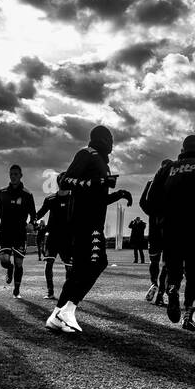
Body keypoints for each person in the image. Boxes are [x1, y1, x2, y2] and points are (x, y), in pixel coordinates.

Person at [46, 126, 131, 333]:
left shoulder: (102, 163)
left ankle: (56, 315)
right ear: (101, 139)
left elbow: (98, 198)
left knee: (78, 271)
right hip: (85, 223)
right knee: (98, 263)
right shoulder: (87, 154)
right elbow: (66, 181)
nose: (112, 144)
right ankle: (68, 309)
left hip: (92, 222)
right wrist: (100, 181)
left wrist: (118, 194)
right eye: (110, 139)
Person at [144, 134, 195, 331]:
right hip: (194, 225)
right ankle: (188, 315)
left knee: (173, 268)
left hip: (171, 227)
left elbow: (150, 199)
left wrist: (161, 218)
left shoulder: (168, 167)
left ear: (183, 148)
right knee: (193, 272)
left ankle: (172, 289)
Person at [0, 164, 37, 299]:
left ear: (21, 176)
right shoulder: (2, 192)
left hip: (19, 233)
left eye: (16, 174)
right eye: (11, 174)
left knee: (19, 263)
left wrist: (32, 223)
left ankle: (17, 290)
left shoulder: (27, 194)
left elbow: (33, 214)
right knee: (4, 260)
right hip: (5, 232)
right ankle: (9, 268)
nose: (13, 176)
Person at [140, 160, 172, 306]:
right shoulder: (173, 182)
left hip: (154, 228)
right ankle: (160, 293)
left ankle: (154, 283)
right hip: (169, 228)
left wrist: (152, 214)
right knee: (166, 263)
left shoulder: (151, 182)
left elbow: (142, 202)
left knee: (154, 260)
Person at [38, 188, 71, 301]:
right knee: (48, 263)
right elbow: (41, 212)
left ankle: (68, 294)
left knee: (69, 267)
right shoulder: (50, 199)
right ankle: (50, 292)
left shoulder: (74, 199)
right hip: (52, 237)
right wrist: (31, 221)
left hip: (67, 238)